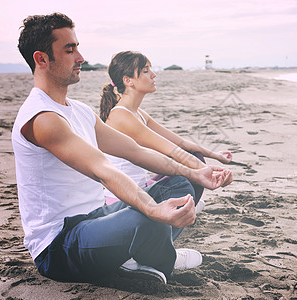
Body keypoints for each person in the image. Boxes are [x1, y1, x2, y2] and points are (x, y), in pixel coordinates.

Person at [12, 12, 232, 284]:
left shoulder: (80, 111)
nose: (81, 57)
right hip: (59, 245)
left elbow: (136, 151)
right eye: (70, 50)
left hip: (97, 218)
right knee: (148, 219)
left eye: (78, 47)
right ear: (41, 59)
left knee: (179, 184)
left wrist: (195, 172)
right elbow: (102, 170)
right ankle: (160, 257)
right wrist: (153, 210)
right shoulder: (42, 118)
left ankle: (141, 255)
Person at [99, 51, 233, 207]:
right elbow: (171, 150)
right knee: (182, 179)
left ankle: (187, 209)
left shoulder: (137, 113)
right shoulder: (122, 116)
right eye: (145, 71)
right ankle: (184, 212)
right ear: (128, 80)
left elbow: (180, 143)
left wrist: (215, 156)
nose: (153, 75)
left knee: (193, 156)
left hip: (144, 188)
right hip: (125, 200)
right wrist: (208, 171)